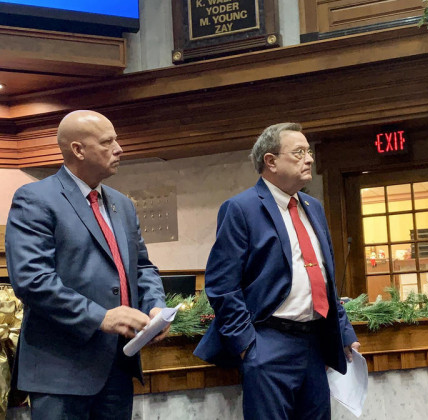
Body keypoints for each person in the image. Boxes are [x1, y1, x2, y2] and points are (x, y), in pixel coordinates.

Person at [5, 110, 168, 419]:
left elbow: (143, 268)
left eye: (117, 140)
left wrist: (156, 306)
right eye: (107, 142)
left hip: (118, 366)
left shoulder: (123, 204)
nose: (119, 149)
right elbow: (32, 279)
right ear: (78, 149)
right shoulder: (36, 199)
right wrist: (99, 317)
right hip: (62, 372)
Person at [194, 122, 360, 420]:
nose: (309, 159)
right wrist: (248, 347)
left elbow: (325, 278)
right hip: (268, 343)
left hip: (315, 344)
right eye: (298, 153)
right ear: (270, 161)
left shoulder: (313, 206)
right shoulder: (241, 208)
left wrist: (344, 332)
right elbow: (222, 285)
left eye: (308, 152)